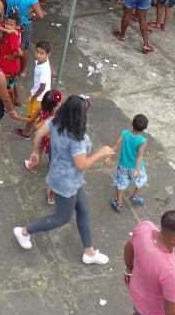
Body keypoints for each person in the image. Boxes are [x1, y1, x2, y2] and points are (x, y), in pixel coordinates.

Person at [14, 95, 115, 264]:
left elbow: (38, 134)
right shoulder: (77, 140)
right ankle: (24, 232)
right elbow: (82, 165)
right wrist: (101, 152)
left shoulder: (56, 121)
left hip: (63, 176)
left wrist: (35, 152)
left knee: (83, 210)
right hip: (66, 182)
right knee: (61, 218)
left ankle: (89, 252)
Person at [123, 212, 175, 315]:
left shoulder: (144, 227)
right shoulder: (171, 271)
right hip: (153, 314)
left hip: (136, 291)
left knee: (138, 314)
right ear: (173, 239)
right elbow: (171, 312)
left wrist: (129, 270)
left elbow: (128, 247)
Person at [110, 114, 149, 213]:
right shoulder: (142, 140)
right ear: (144, 129)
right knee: (140, 182)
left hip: (123, 166)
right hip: (136, 168)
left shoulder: (124, 133)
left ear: (132, 123)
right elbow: (140, 156)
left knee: (121, 184)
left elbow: (116, 145)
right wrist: (137, 169)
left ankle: (119, 203)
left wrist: (109, 156)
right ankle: (134, 197)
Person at [17, 40, 52, 138]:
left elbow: (42, 87)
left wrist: (34, 97)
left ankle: (26, 133)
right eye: (37, 52)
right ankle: (35, 127)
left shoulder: (44, 70)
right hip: (41, 95)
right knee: (36, 115)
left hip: (39, 97)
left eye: (42, 53)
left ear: (48, 54)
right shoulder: (43, 62)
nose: (39, 55)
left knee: (31, 116)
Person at [0, 15, 23, 106]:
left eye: (11, 24)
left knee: (8, 87)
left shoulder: (13, 36)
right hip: (10, 66)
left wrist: (11, 57)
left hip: (9, 67)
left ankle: (10, 103)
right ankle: (17, 99)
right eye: (7, 23)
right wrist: (6, 29)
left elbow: (19, 53)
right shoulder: (9, 30)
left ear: (17, 26)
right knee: (12, 83)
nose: (7, 26)